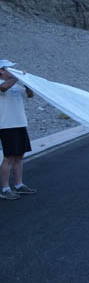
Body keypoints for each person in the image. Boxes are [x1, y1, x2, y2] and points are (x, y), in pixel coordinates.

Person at [0, 60, 37, 200]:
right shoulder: (3, 83)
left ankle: (19, 185)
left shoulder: (14, 85)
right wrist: (17, 77)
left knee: (19, 156)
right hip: (6, 126)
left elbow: (30, 95)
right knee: (9, 157)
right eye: (9, 68)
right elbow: (4, 88)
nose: (12, 70)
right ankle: (5, 189)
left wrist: (27, 84)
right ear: (1, 70)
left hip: (20, 124)